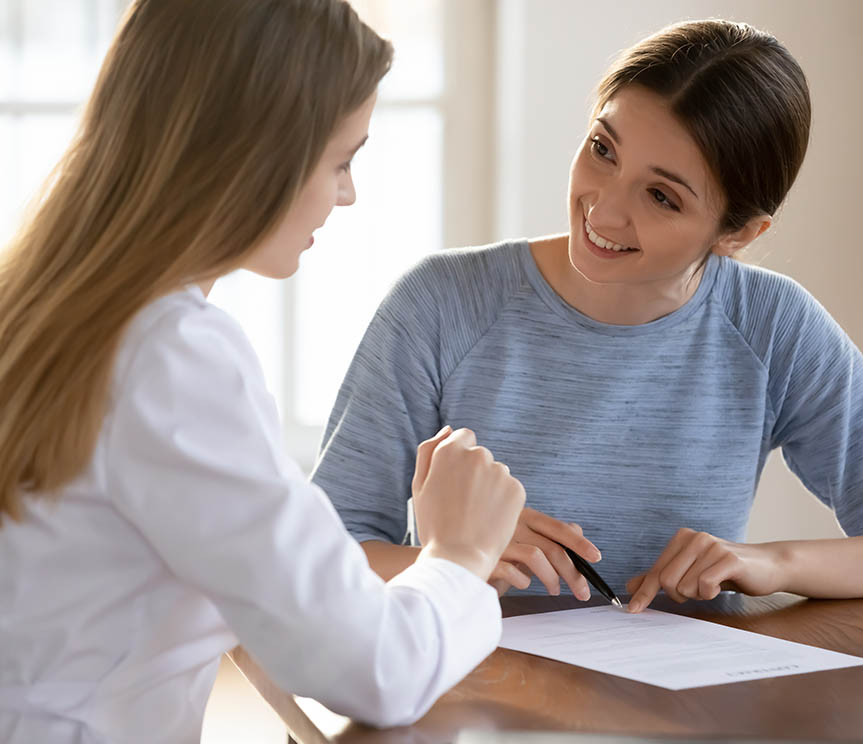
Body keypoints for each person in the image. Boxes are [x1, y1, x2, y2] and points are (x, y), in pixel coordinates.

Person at [313, 19, 863, 613]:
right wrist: (455, 560)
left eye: (662, 197)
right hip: (463, 697)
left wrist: (769, 564)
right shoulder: (439, 304)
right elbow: (319, 554)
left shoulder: (771, 326)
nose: (603, 210)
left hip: (679, 710)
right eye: (603, 149)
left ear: (738, 233)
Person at [0, 1, 526, 742]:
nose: (348, 194)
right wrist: (460, 552)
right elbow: (375, 670)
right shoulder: (172, 354)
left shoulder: (43, 310)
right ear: (256, 157)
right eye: (341, 160)